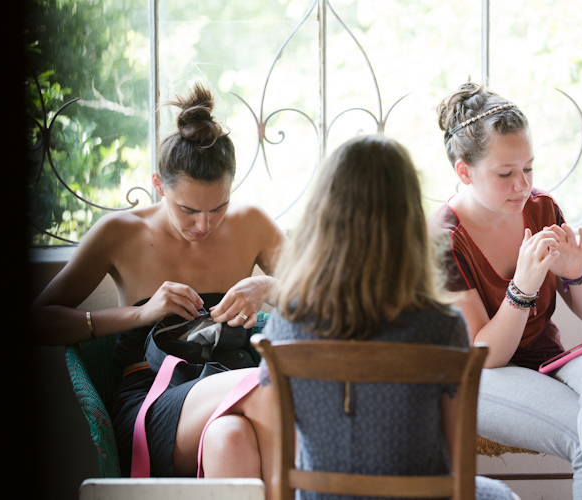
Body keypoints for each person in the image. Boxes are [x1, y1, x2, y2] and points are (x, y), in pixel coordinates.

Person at [32, 83, 286, 497]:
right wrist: (143, 313)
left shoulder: (252, 223)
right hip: (151, 400)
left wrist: (268, 285)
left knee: (231, 440)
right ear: (158, 185)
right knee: (271, 386)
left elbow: (326, 302)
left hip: (230, 380)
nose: (204, 225)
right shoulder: (120, 232)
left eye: (218, 208)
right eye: (188, 209)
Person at [261, 133, 517, 500]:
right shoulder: (441, 326)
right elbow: (455, 463)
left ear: (322, 217)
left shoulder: (287, 320)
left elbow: (286, 444)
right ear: (409, 220)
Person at [431, 81, 582, 500]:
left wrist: (575, 275)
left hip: (550, 363)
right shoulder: (444, 238)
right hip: (480, 378)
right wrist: (521, 287)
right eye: (505, 174)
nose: (522, 185)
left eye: (529, 169)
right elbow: (486, 354)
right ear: (464, 171)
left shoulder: (540, 208)